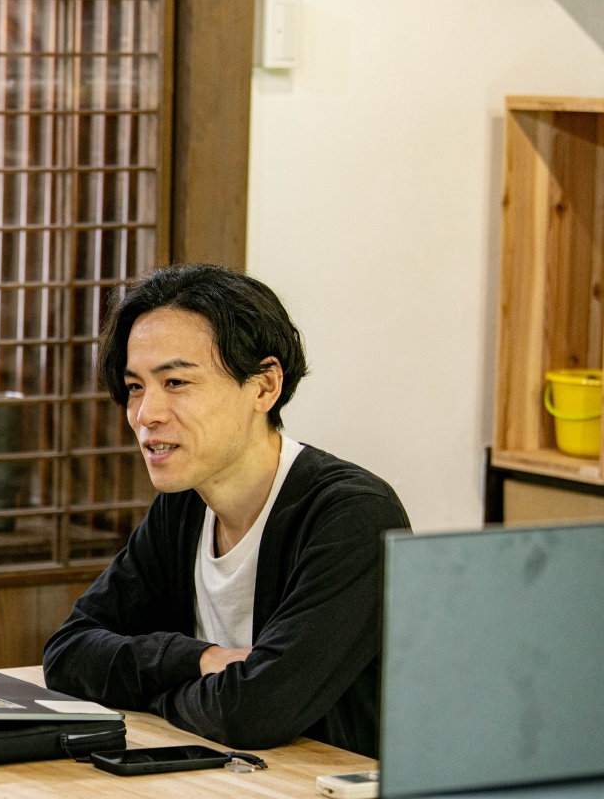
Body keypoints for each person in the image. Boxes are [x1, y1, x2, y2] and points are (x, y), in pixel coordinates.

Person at [43, 265, 408, 757]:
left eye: (175, 382)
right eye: (135, 387)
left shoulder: (353, 516)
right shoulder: (184, 507)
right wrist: (199, 659)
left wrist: (154, 690)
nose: (146, 414)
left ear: (264, 386)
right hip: (230, 793)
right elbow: (69, 654)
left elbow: (253, 713)